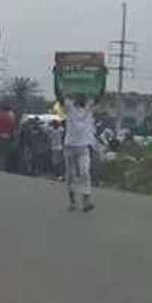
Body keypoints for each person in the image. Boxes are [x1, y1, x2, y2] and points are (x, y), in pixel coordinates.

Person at [56, 79, 105, 213]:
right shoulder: (69, 106)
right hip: (69, 146)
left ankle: (86, 201)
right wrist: (56, 76)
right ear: (75, 97)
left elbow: (100, 94)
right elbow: (59, 94)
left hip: (83, 147)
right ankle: (72, 201)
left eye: (83, 96)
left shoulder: (89, 108)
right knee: (70, 175)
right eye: (79, 95)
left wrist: (103, 77)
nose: (81, 97)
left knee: (85, 172)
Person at [0, 105, 17, 171]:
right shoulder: (12, 117)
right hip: (8, 137)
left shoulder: (0, 115)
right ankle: (2, 167)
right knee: (4, 153)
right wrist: (14, 138)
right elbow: (13, 128)